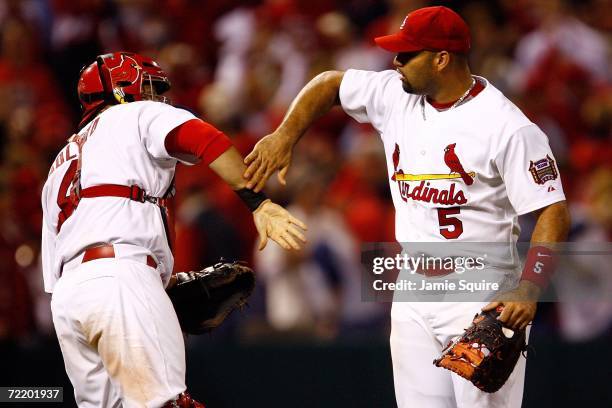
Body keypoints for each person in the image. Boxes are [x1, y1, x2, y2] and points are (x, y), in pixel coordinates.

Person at [242, 6, 570, 408]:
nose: (395, 62)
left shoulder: (506, 126)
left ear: (441, 58)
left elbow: (553, 211)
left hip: (480, 289)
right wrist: (284, 135)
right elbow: (329, 83)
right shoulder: (394, 94)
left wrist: (530, 289)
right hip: (413, 283)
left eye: (406, 54)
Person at [40, 51, 307, 408]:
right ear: (121, 90)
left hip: (69, 301)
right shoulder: (134, 113)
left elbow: (59, 273)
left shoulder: (60, 164)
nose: (157, 96)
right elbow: (204, 138)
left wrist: (156, 286)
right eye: (149, 86)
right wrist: (259, 203)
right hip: (122, 276)